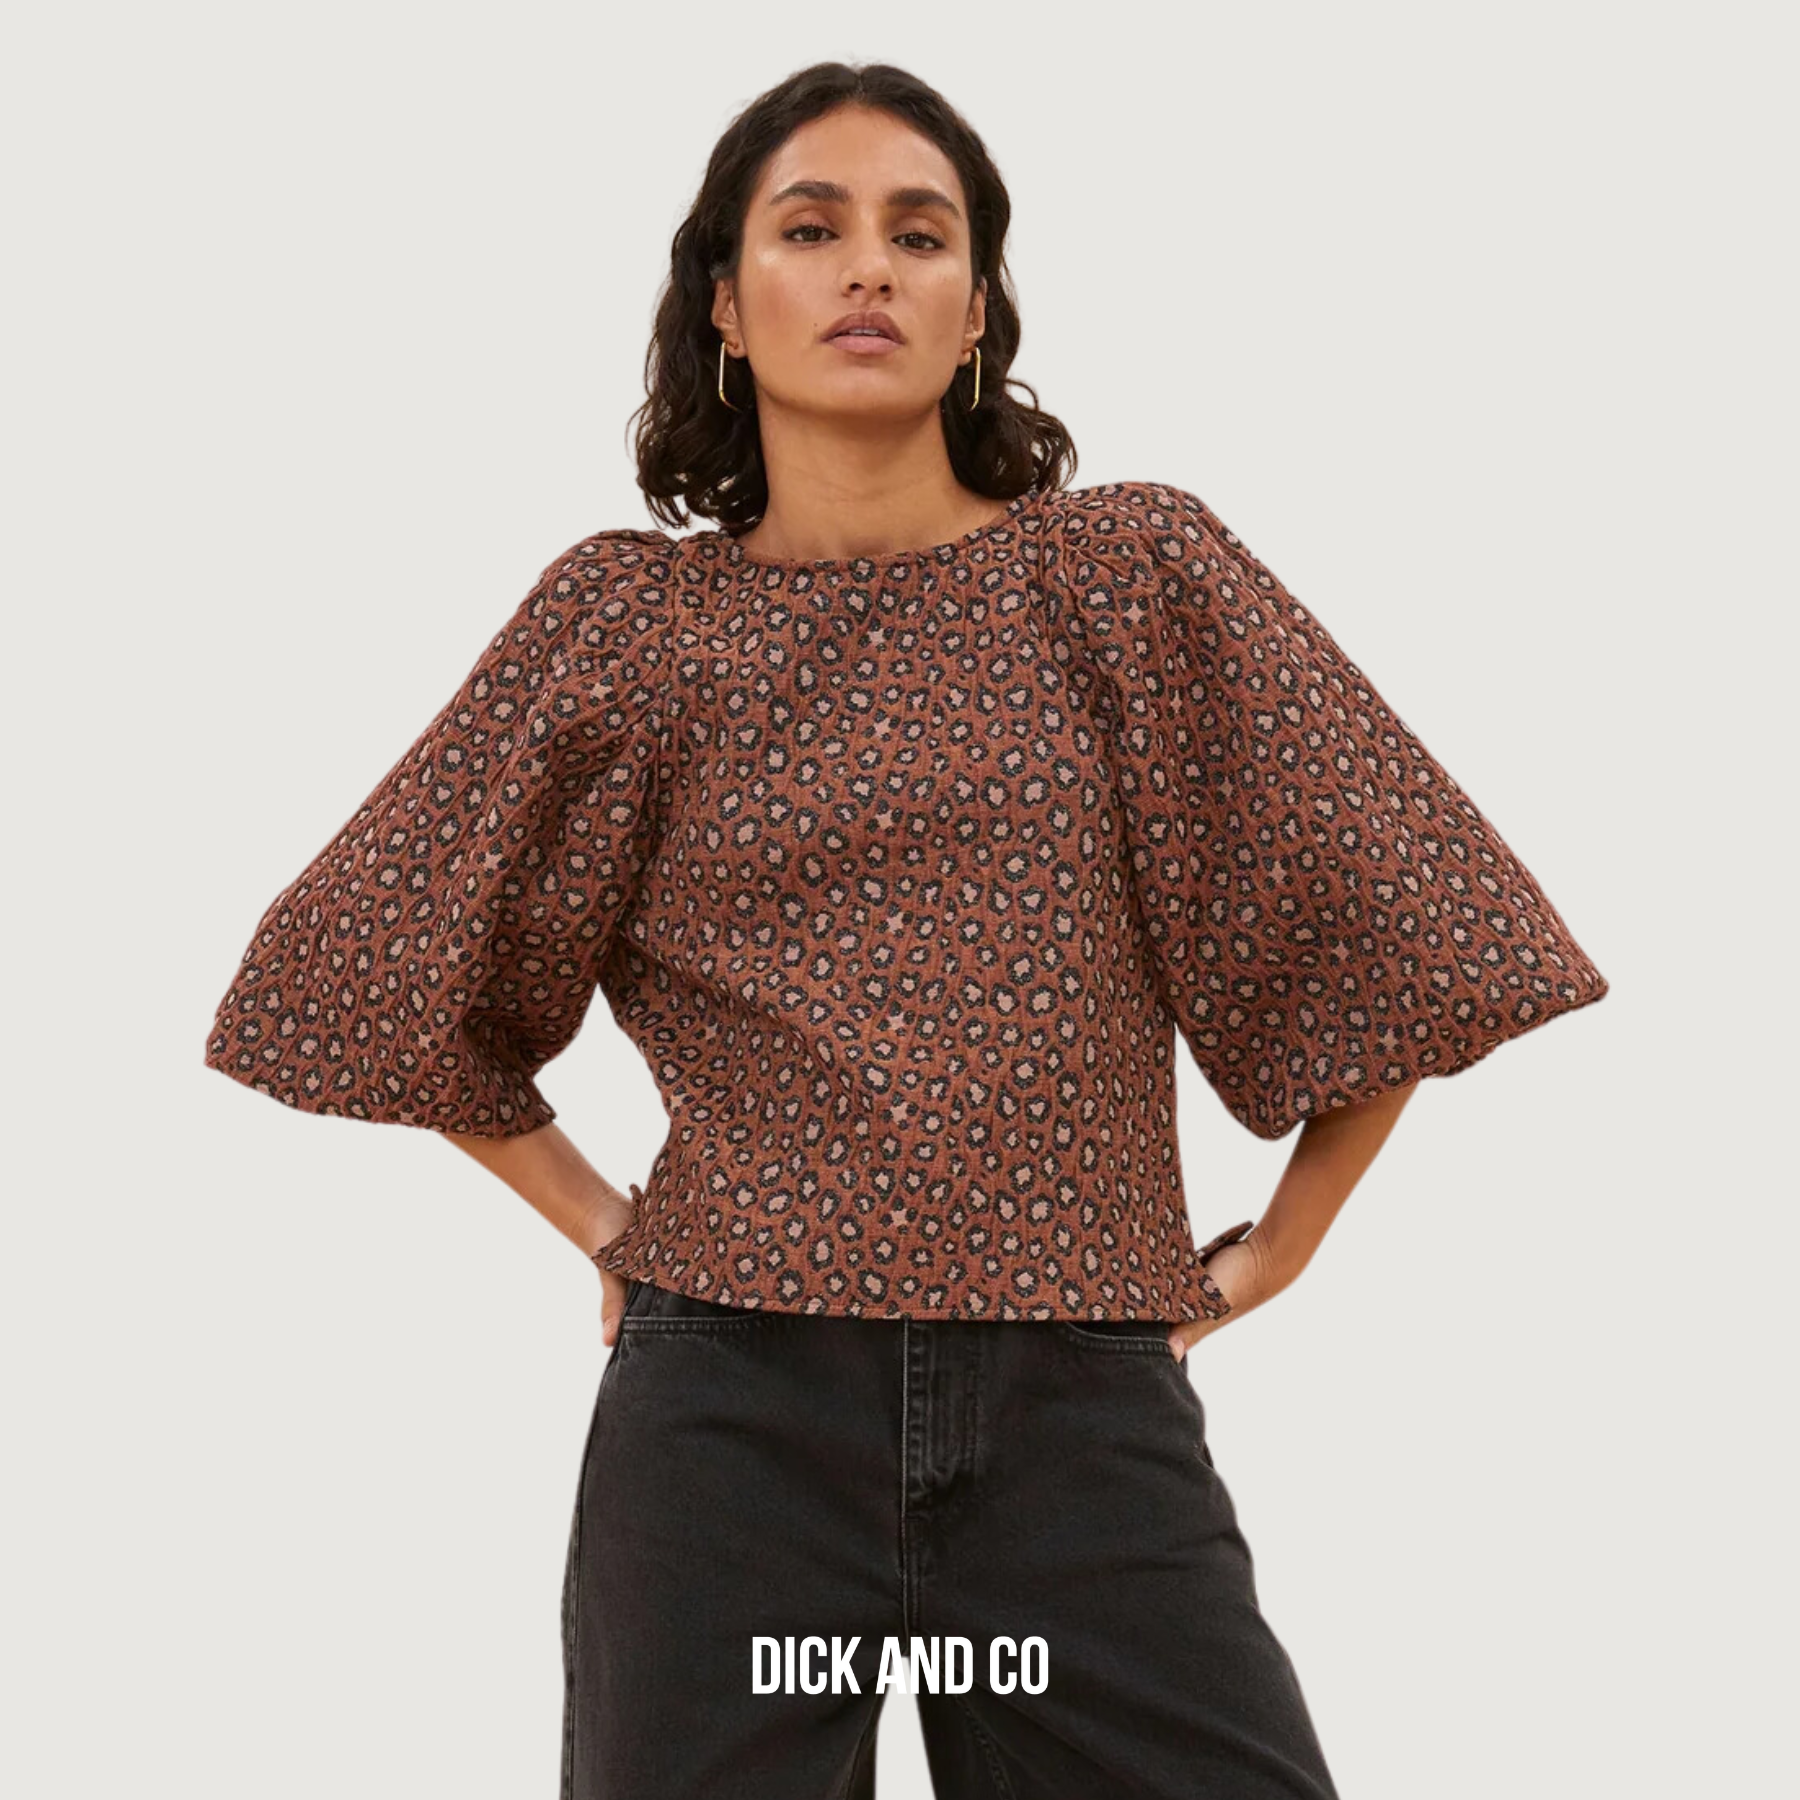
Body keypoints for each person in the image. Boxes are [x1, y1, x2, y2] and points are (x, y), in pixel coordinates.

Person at [202, 62, 1609, 1800]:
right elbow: (362, 965)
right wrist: (607, 1227)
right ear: (726, 306)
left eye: (919, 235)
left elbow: (1394, 907)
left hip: (1082, 1423)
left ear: (977, 312)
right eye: (811, 229)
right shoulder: (631, 625)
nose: (869, 265)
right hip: (730, 1432)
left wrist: (1289, 1244)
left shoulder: (1126, 578)